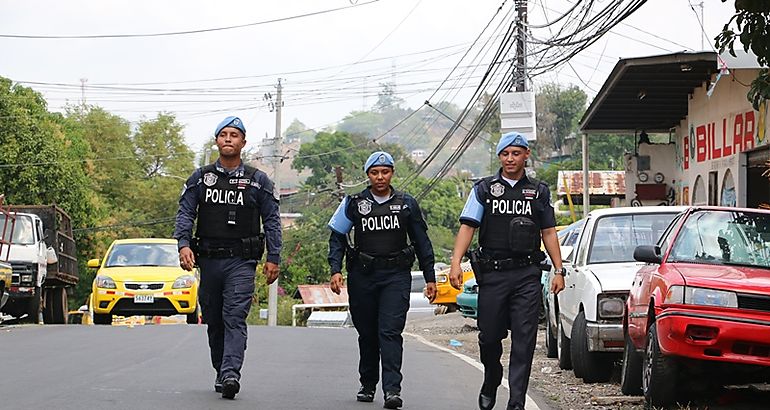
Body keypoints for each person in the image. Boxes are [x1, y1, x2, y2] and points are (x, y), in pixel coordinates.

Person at [448, 132, 565, 410]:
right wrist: (455, 261)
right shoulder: (484, 189)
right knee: (489, 337)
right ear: (500, 157)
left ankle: (516, 402)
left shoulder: (538, 191)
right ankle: (491, 378)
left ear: (526, 155)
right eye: (505, 154)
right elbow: (468, 226)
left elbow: (548, 231)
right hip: (493, 275)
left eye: (516, 153)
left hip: (526, 275)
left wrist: (559, 269)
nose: (510, 158)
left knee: (524, 341)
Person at [174, 116, 282, 400]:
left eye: (234, 135)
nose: (228, 139)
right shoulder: (201, 179)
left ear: (243, 142)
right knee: (214, 318)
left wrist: (274, 256)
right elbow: (185, 213)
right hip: (208, 261)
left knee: (234, 315)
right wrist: (183, 244)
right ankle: (221, 370)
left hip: (241, 262)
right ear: (217, 140)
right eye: (223, 134)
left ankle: (232, 372)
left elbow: (272, 220)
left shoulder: (258, 181)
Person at [327, 151, 437, 409]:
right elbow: (337, 237)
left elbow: (422, 242)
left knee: (390, 332)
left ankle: (392, 390)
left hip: (396, 277)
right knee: (367, 333)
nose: (380, 177)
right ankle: (367, 384)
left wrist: (430, 277)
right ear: (368, 175)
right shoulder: (353, 203)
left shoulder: (407, 203)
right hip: (362, 276)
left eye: (385, 172)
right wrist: (335, 269)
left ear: (392, 174)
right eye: (375, 172)